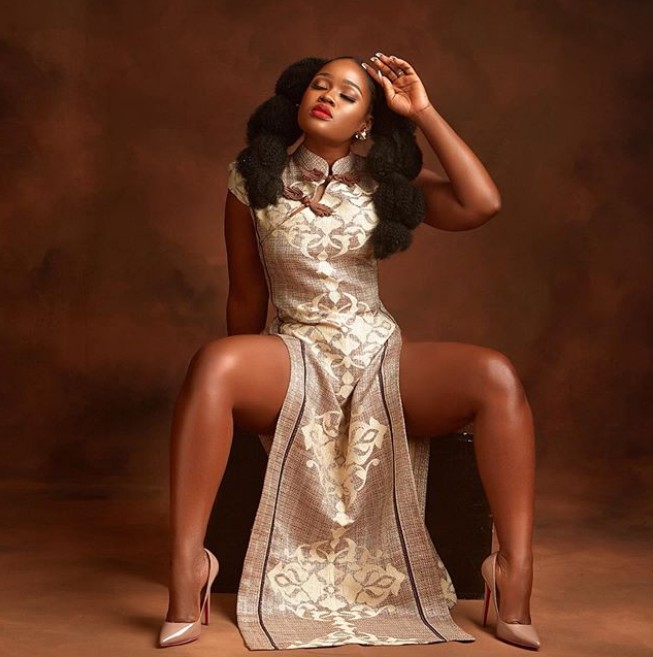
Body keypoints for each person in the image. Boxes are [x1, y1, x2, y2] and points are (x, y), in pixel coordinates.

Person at [158, 52, 540, 651]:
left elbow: (481, 204)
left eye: (348, 94)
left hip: (377, 354)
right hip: (295, 352)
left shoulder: (387, 182)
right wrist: (239, 391)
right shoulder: (250, 180)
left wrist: (423, 111)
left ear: (366, 122)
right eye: (320, 85)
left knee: (496, 375)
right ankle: (188, 570)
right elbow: (245, 294)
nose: (328, 97)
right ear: (298, 97)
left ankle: (513, 573)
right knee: (214, 364)